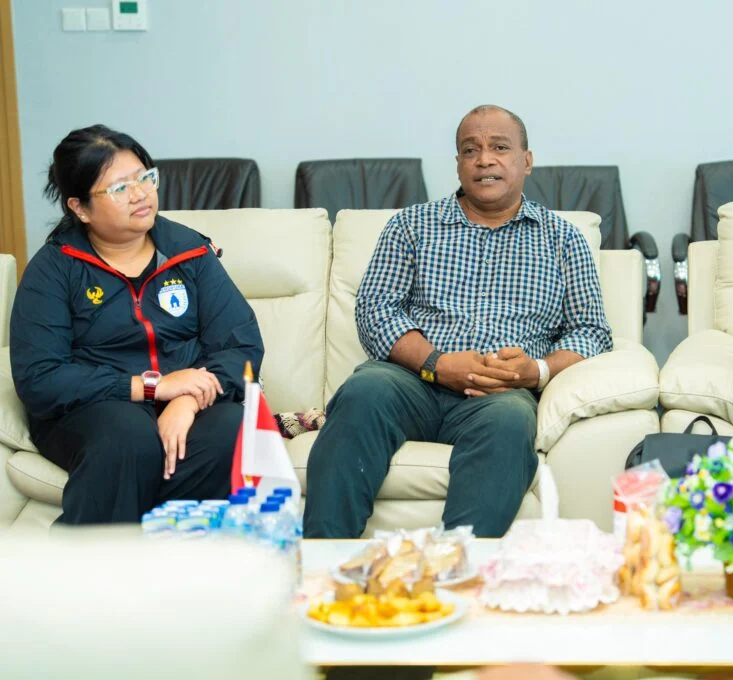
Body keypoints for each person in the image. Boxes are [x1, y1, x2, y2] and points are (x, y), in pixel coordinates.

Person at [304, 105, 613, 538]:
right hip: (411, 381)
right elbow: (376, 309)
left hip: (499, 394)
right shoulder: (411, 226)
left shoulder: (563, 240)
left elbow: (591, 331)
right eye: (471, 150)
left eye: (499, 148)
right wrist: (437, 363)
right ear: (458, 164)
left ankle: (458, 563)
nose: (484, 160)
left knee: (511, 421)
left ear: (526, 161)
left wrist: (536, 372)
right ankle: (323, 556)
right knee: (363, 391)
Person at [11, 125, 264, 524]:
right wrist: (153, 387)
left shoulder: (189, 252)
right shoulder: (54, 268)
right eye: (119, 188)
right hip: (93, 410)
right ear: (80, 208)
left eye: (145, 178)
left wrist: (185, 399)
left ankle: (160, 545)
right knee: (129, 438)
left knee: (231, 429)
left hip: (185, 399)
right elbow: (41, 377)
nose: (140, 193)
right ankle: (100, 555)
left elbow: (241, 345)